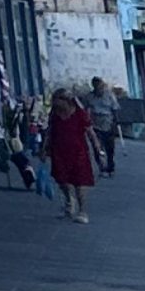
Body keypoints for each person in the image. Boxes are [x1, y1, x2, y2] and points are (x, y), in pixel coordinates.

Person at [47, 86, 97, 222]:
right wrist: (44, 148)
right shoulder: (55, 114)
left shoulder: (79, 114)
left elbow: (90, 132)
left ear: (66, 101)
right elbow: (50, 131)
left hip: (78, 153)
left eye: (56, 100)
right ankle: (69, 203)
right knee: (62, 180)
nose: (54, 103)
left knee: (80, 182)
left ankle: (82, 211)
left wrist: (98, 150)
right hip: (59, 152)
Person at [85, 77, 120, 176]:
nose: (98, 89)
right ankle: (102, 167)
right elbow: (85, 109)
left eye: (100, 86)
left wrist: (116, 122)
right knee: (97, 147)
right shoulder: (89, 96)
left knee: (110, 147)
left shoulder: (109, 95)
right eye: (96, 87)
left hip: (108, 122)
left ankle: (110, 166)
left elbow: (115, 109)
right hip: (95, 123)